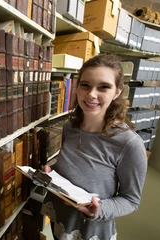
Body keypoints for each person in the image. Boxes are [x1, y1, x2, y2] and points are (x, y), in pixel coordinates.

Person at [41, 54, 148, 240]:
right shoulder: (70, 127)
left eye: (104, 87)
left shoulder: (129, 143)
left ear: (117, 92)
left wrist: (98, 209)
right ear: (77, 87)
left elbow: (131, 200)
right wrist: (53, 175)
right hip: (60, 218)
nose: (91, 94)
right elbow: (76, 170)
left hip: (91, 229)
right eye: (85, 85)